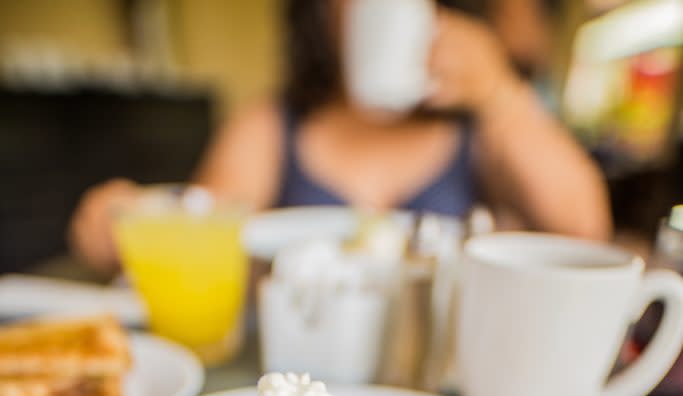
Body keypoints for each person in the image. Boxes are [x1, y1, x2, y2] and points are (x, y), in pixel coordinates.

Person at [68, 0, 611, 275]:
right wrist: (129, 224)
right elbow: (205, 226)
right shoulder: (272, 123)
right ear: (319, 15)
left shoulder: (483, 128)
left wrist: (499, 92)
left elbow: (584, 234)